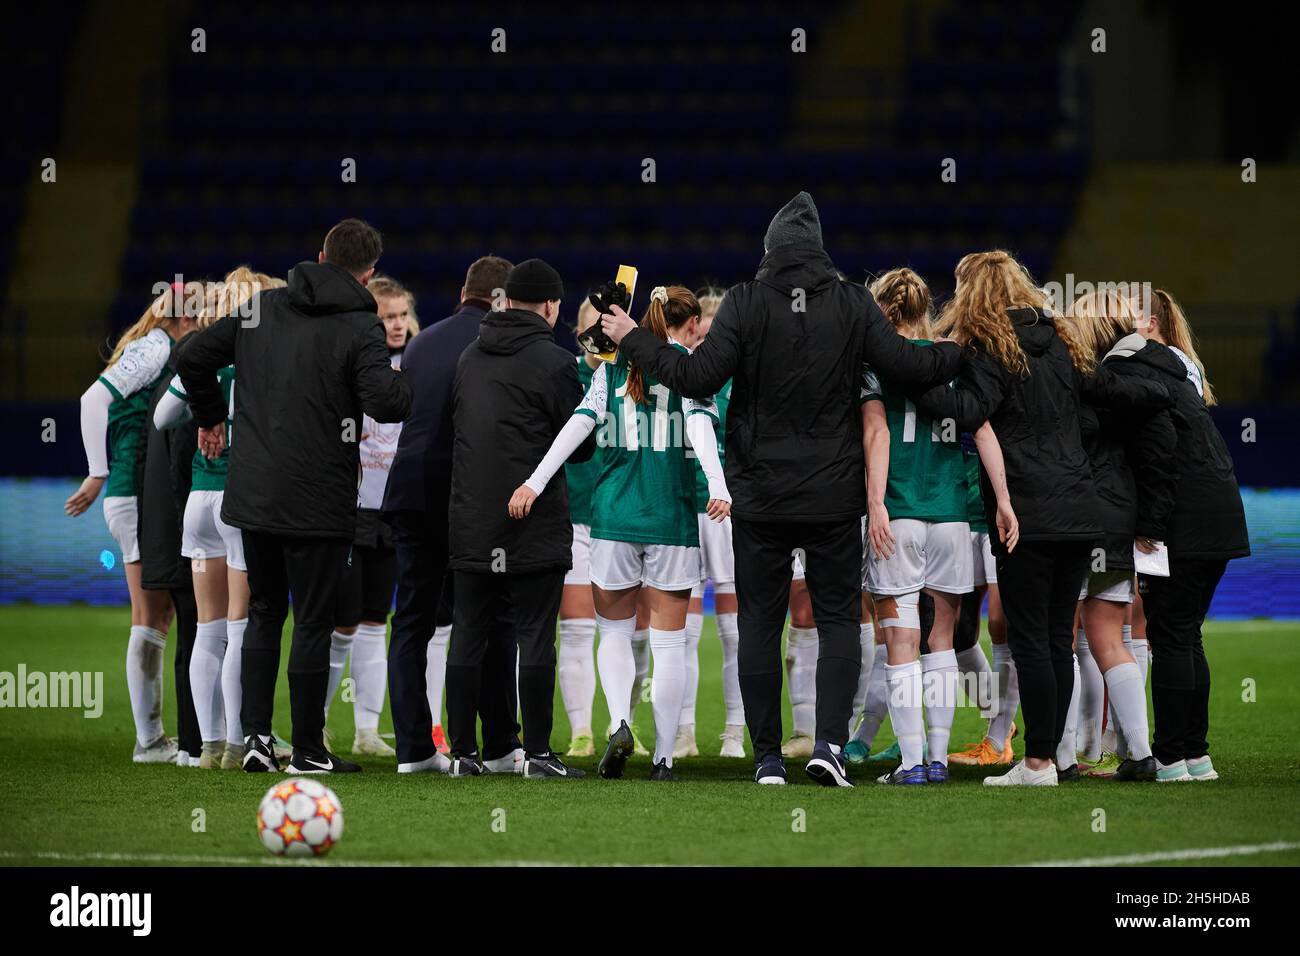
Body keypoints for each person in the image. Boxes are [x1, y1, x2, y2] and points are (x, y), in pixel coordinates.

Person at [599, 192, 963, 787]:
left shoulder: (744, 302)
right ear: (819, 249)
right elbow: (911, 367)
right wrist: (962, 349)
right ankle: (829, 748)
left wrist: (632, 339)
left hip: (762, 496)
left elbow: (695, 376)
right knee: (839, 622)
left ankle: (767, 757)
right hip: (832, 494)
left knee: (761, 625)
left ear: (770, 249)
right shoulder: (850, 303)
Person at [914, 251, 1169, 787]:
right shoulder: (1063, 341)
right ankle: (1055, 758)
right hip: (1080, 509)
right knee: (1056, 640)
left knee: (1033, 641)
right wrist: (1165, 387)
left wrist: (919, 384)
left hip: (1024, 513)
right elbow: (1114, 391)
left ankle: (1038, 762)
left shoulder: (990, 348)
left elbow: (968, 413)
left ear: (974, 294)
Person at [176, 218, 411, 774]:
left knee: (261, 613)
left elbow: (190, 357)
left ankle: (255, 740)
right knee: (311, 620)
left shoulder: (263, 307)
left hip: (254, 493)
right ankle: (307, 750)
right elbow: (386, 401)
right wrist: (411, 380)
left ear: (321, 253)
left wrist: (211, 418)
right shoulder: (360, 324)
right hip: (320, 500)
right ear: (369, 272)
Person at [512, 285, 730, 781]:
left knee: (611, 631)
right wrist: (718, 484)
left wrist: (533, 480)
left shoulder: (611, 365)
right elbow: (700, 428)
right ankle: (665, 759)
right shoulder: (689, 366)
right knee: (669, 642)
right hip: (670, 516)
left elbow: (577, 424)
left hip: (612, 517)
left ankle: (618, 723)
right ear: (686, 320)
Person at [860, 268, 1009, 786]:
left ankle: (911, 761)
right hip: (951, 515)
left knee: (901, 639)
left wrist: (875, 502)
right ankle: (941, 760)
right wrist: (1005, 500)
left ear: (881, 308)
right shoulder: (954, 359)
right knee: (942, 638)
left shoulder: (875, 363)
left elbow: (877, 430)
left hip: (898, 509)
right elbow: (983, 428)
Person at [446, 258, 594, 778]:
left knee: (468, 634)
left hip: (471, 519)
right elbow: (581, 447)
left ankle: (463, 753)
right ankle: (535, 754)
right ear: (552, 305)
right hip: (532, 521)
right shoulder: (555, 363)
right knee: (534, 636)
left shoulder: (468, 356)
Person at [381, 254, 514, 774]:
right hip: (469, 498)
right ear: (504, 301)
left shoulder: (421, 342)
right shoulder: (500, 345)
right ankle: (493, 745)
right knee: (484, 617)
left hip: (411, 494)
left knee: (412, 621)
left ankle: (414, 750)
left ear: (464, 290)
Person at [1112, 288, 1249, 782]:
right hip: (1219, 509)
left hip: (1184, 519)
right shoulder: (1181, 370)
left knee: (1171, 635)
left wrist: (1150, 527)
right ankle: (1195, 755)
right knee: (1187, 636)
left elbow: (1159, 454)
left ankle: (1169, 757)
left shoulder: (1136, 372)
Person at [155, 269, 284, 770]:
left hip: (198, 502)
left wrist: (206, 421)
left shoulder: (203, 366)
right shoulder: (260, 364)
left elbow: (164, 417)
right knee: (242, 625)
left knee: (206, 629)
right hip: (241, 505)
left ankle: (207, 746)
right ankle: (239, 743)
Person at [66, 282, 197, 764]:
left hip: (135, 492)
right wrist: (97, 472)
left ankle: (153, 738)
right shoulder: (156, 347)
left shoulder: (156, 346)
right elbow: (91, 402)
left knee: (156, 616)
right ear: (187, 319)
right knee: (151, 617)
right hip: (129, 491)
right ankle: (149, 741)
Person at [1056, 286, 1177, 782]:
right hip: (1119, 518)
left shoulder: (1079, 383)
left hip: (1076, 519)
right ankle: (1140, 753)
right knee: (1110, 636)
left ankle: (1057, 756)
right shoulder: (1141, 383)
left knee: (1055, 638)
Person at [323, 275, 420, 758]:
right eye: (387, 317)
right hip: (350, 511)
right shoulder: (353, 367)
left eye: (403, 315)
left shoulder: (418, 365)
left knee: (375, 622)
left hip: (391, 513)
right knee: (341, 624)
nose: (398, 325)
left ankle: (366, 731)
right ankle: (315, 726)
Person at [679, 286, 746, 759]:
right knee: (681, 631)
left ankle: (735, 733)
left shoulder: (742, 381)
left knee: (734, 631)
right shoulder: (681, 375)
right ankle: (682, 731)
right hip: (685, 507)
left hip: (728, 513)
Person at [556, 298, 606, 758]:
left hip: (618, 520)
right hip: (573, 519)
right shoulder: (562, 375)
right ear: (579, 332)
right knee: (576, 627)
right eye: (594, 326)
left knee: (628, 632)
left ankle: (621, 727)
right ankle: (582, 731)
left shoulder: (633, 377)